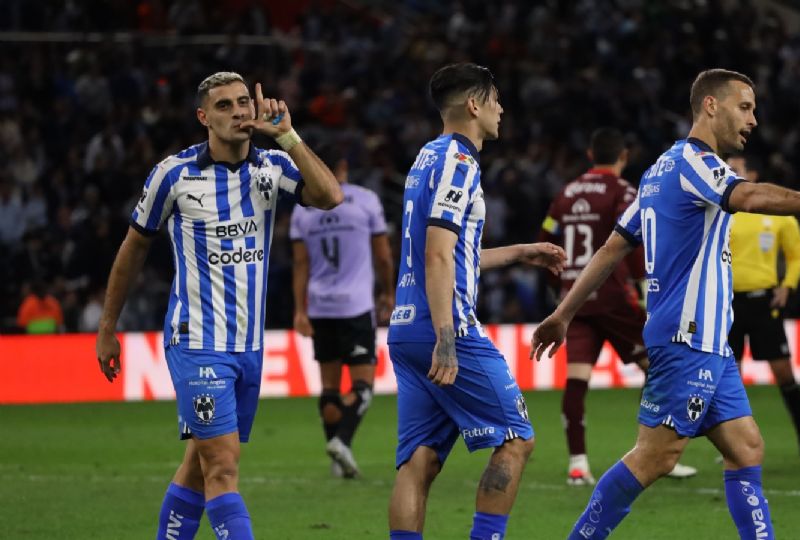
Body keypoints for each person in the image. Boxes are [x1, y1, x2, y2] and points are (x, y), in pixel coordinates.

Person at [531, 68, 800, 539]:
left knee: (746, 447)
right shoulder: (695, 162)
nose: (754, 119)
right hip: (686, 337)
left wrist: (563, 313)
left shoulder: (656, 172)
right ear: (711, 105)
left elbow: (612, 247)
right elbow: (745, 194)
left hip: (710, 342)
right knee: (657, 456)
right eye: (745, 107)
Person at [95, 72, 343, 540]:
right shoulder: (175, 173)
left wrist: (288, 136)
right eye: (224, 106)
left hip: (248, 347)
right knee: (223, 466)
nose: (238, 112)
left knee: (198, 463)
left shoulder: (271, 167)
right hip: (196, 341)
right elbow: (133, 248)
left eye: (243, 102)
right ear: (203, 117)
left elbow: (331, 196)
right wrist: (108, 325)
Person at [386, 62, 565, 540]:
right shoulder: (459, 162)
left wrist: (522, 252)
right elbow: (438, 254)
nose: (501, 109)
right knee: (516, 438)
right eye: (496, 99)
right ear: (474, 104)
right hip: (444, 325)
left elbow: (453, 254)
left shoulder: (427, 157)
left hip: (405, 326)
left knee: (419, 459)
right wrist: (447, 335)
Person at [539, 127, 696, 485]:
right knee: (658, 370)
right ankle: (653, 455)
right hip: (613, 299)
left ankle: (577, 464)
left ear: (592, 156)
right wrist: (645, 287)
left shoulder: (565, 194)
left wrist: (559, 287)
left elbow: (545, 241)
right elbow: (637, 241)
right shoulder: (623, 192)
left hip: (574, 300)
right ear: (623, 157)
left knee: (576, 382)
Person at [290, 143, 395, 479]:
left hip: (320, 307)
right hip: (356, 305)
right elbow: (382, 256)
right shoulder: (365, 201)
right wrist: (388, 292)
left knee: (330, 389)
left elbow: (300, 265)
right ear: (343, 166)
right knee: (363, 386)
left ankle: (337, 459)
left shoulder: (302, 210)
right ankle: (343, 442)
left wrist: (299, 310)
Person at [726, 154, 800, 460]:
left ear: (752, 174)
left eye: (735, 169)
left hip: (763, 301)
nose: (728, 173)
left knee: (784, 372)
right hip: (727, 303)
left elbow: (797, 254)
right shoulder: (720, 210)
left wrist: (787, 285)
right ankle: (733, 445)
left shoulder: (778, 213)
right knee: (729, 378)